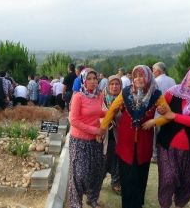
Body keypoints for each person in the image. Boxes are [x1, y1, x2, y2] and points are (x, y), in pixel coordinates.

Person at [99, 65, 170, 208]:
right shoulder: (125, 93)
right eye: (135, 75)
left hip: (144, 142)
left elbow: (169, 115)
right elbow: (112, 110)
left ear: (149, 76)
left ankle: (137, 203)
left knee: (140, 176)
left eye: (141, 75)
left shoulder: (156, 94)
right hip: (126, 142)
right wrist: (102, 128)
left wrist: (154, 121)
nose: (138, 79)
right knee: (127, 177)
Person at [153, 65, 190, 208]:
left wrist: (174, 116)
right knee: (168, 179)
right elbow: (162, 109)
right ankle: (165, 205)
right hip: (168, 145)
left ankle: (180, 204)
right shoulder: (172, 92)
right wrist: (160, 109)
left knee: (187, 183)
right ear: (188, 75)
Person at [68, 68, 106, 208]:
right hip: (79, 141)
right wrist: (96, 130)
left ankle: (92, 198)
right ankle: (76, 203)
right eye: (89, 78)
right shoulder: (78, 96)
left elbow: (97, 112)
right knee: (79, 175)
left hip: (95, 141)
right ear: (83, 80)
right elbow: (74, 120)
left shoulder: (99, 95)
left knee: (96, 172)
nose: (92, 81)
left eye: (95, 78)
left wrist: (108, 113)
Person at [99, 75, 122, 195]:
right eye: (112, 84)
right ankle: (98, 181)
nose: (114, 86)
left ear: (120, 86)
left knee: (117, 159)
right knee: (103, 159)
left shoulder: (124, 99)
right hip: (104, 135)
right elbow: (97, 115)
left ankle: (116, 182)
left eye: (117, 84)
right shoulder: (101, 98)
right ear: (108, 85)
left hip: (118, 135)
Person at [152, 62, 176, 162]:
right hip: (170, 112)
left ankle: (155, 155)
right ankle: (166, 154)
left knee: (155, 136)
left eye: (153, 70)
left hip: (157, 113)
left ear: (158, 71)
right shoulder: (172, 80)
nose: (152, 72)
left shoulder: (155, 81)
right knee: (167, 134)